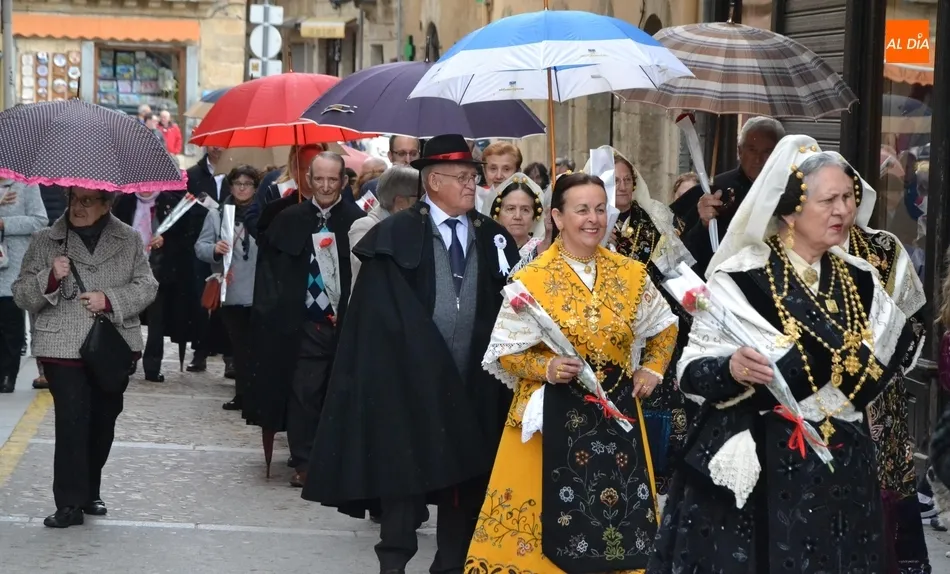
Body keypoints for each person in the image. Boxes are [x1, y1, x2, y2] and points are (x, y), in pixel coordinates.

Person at [649, 136, 920, 573]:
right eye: (829, 199)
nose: (844, 211)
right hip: (767, 464)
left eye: (849, 197)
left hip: (844, 461)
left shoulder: (862, 278)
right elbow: (691, 371)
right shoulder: (740, 279)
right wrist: (732, 368)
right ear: (791, 210)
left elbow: (896, 351)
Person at [302, 134, 520, 574]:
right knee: (403, 479)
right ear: (433, 180)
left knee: (467, 480)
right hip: (409, 386)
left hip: (473, 383)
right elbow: (377, 320)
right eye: (461, 178)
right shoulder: (396, 234)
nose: (470, 186)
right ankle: (394, 564)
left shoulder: (493, 237)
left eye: (473, 178)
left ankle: (451, 563)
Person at [467, 172, 678, 573]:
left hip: (617, 416)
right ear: (557, 217)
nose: (593, 219)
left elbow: (665, 326)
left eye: (600, 209)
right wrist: (545, 366)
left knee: (616, 529)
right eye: (581, 209)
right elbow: (505, 353)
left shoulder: (630, 273)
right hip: (551, 417)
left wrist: (652, 367)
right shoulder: (532, 279)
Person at [12, 187, 158, 528]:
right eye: (73, 199)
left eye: (87, 201)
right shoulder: (45, 239)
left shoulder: (129, 239)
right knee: (71, 423)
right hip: (61, 346)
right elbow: (21, 293)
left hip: (112, 346)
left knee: (102, 422)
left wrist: (109, 299)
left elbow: (147, 286)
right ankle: (68, 503)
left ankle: (90, 488)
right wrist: (49, 277)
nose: (77, 207)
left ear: (107, 204)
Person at [245, 152, 364, 486]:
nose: (325, 186)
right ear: (308, 180)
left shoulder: (359, 223)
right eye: (319, 178)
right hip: (301, 324)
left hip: (344, 326)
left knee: (337, 393)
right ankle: (305, 461)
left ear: (343, 181)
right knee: (305, 391)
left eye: (332, 179)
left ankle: (335, 459)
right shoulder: (287, 219)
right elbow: (270, 277)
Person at [585, 146, 696, 493]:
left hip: (651, 327)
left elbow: (676, 274)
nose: (621, 186)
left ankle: (656, 477)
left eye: (627, 180)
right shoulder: (590, 226)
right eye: (614, 180)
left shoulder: (655, 224)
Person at [841, 157, 933, 569]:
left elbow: (913, 315)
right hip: (817, 396)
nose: (840, 206)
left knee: (888, 482)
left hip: (879, 393)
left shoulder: (883, 248)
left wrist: (885, 362)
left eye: (847, 195)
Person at [681, 116, 785, 275]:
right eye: (752, 149)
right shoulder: (715, 189)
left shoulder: (791, 189)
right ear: (739, 151)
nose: (758, 159)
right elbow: (688, 253)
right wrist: (703, 224)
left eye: (767, 151)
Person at [195, 166, 261, 411]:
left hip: (260, 289)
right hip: (231, 290)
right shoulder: (218, 214)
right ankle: (243, 395)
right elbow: (200, 247)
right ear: (230, 186)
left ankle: (257, 395)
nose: (242, 188)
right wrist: (214, 249)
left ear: (255, 187)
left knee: (258, 346)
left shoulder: (263, 212)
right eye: (237, 183)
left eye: (248, 183)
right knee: (240, 347)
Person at [112, 190, 180, 382]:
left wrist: (166, 239)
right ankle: (129, 358)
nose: (145, 188)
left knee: (156, 321)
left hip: (158, 270)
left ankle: (152, 366)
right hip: (127, 270)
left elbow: (183, 236)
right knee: (127, 318)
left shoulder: (169, 202)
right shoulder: (124, 202)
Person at [185, 146, 232, 374]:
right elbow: (184, 208)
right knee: (202, 301)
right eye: (212, 142)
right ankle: (200, 351)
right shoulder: (193, 174)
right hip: (201, 245)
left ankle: (229, 356)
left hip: (230, 247)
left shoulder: (236, 172)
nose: (217, 147)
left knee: (228, 303)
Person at [0, 181, 48, 393]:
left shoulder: (26, 185)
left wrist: (4, 223)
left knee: (10, 324)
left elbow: (39, 221)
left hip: (13, 265)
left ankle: (8, 375)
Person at [348, 165, 419, 290]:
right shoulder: (365, 227)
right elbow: (368, 270)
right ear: (400, 202)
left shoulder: (415, 226)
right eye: (419, 198)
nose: (424, 203)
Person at [478, 172, 546, 273]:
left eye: (525, 210)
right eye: (510, 209)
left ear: (535, 216)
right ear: (497, 214)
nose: (517, 216)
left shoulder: (544, 252)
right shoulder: (483, 251)